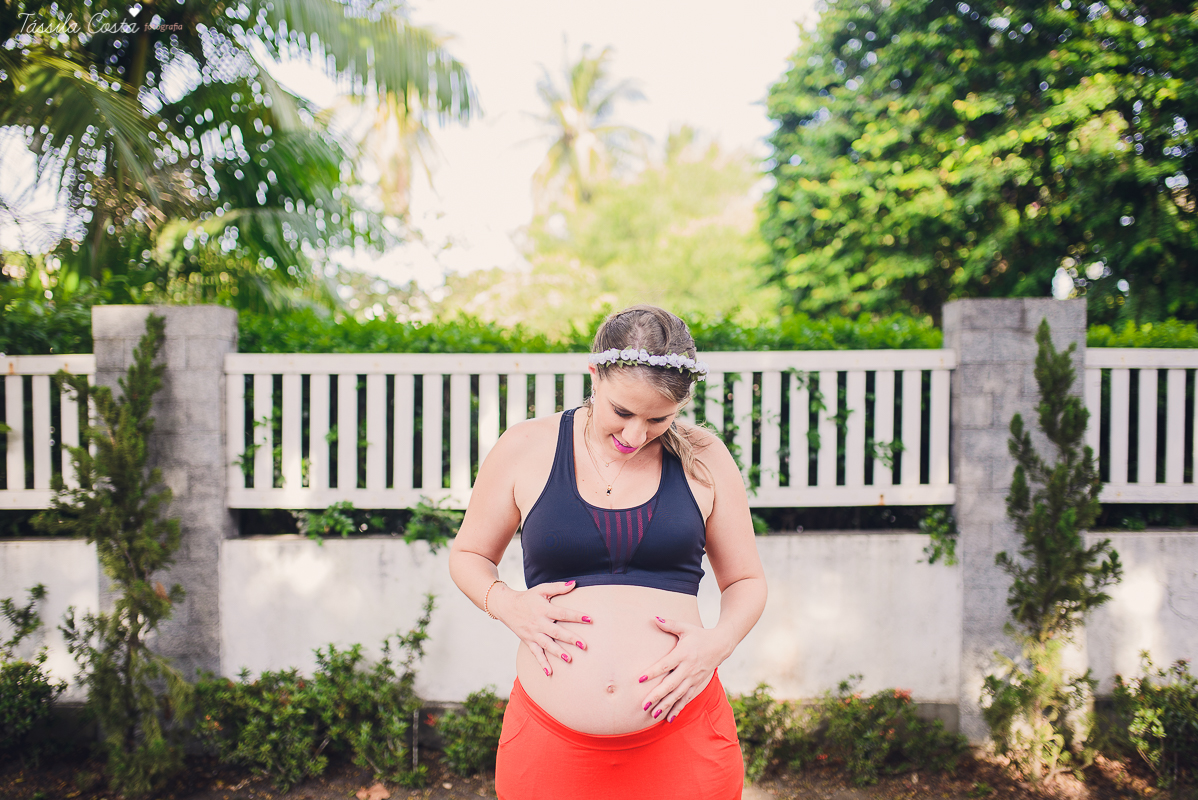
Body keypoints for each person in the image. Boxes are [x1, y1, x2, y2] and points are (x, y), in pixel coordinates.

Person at [448, 305, 767, 800]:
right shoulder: (525, 447)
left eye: (658, 419)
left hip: (683, 741)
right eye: (622, 412)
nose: (635, 435)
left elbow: (745, 580)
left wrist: (718, 642)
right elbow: (468, 554)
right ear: (594, 373)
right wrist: (506, 603)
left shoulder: (705, 456)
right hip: (552, 748)